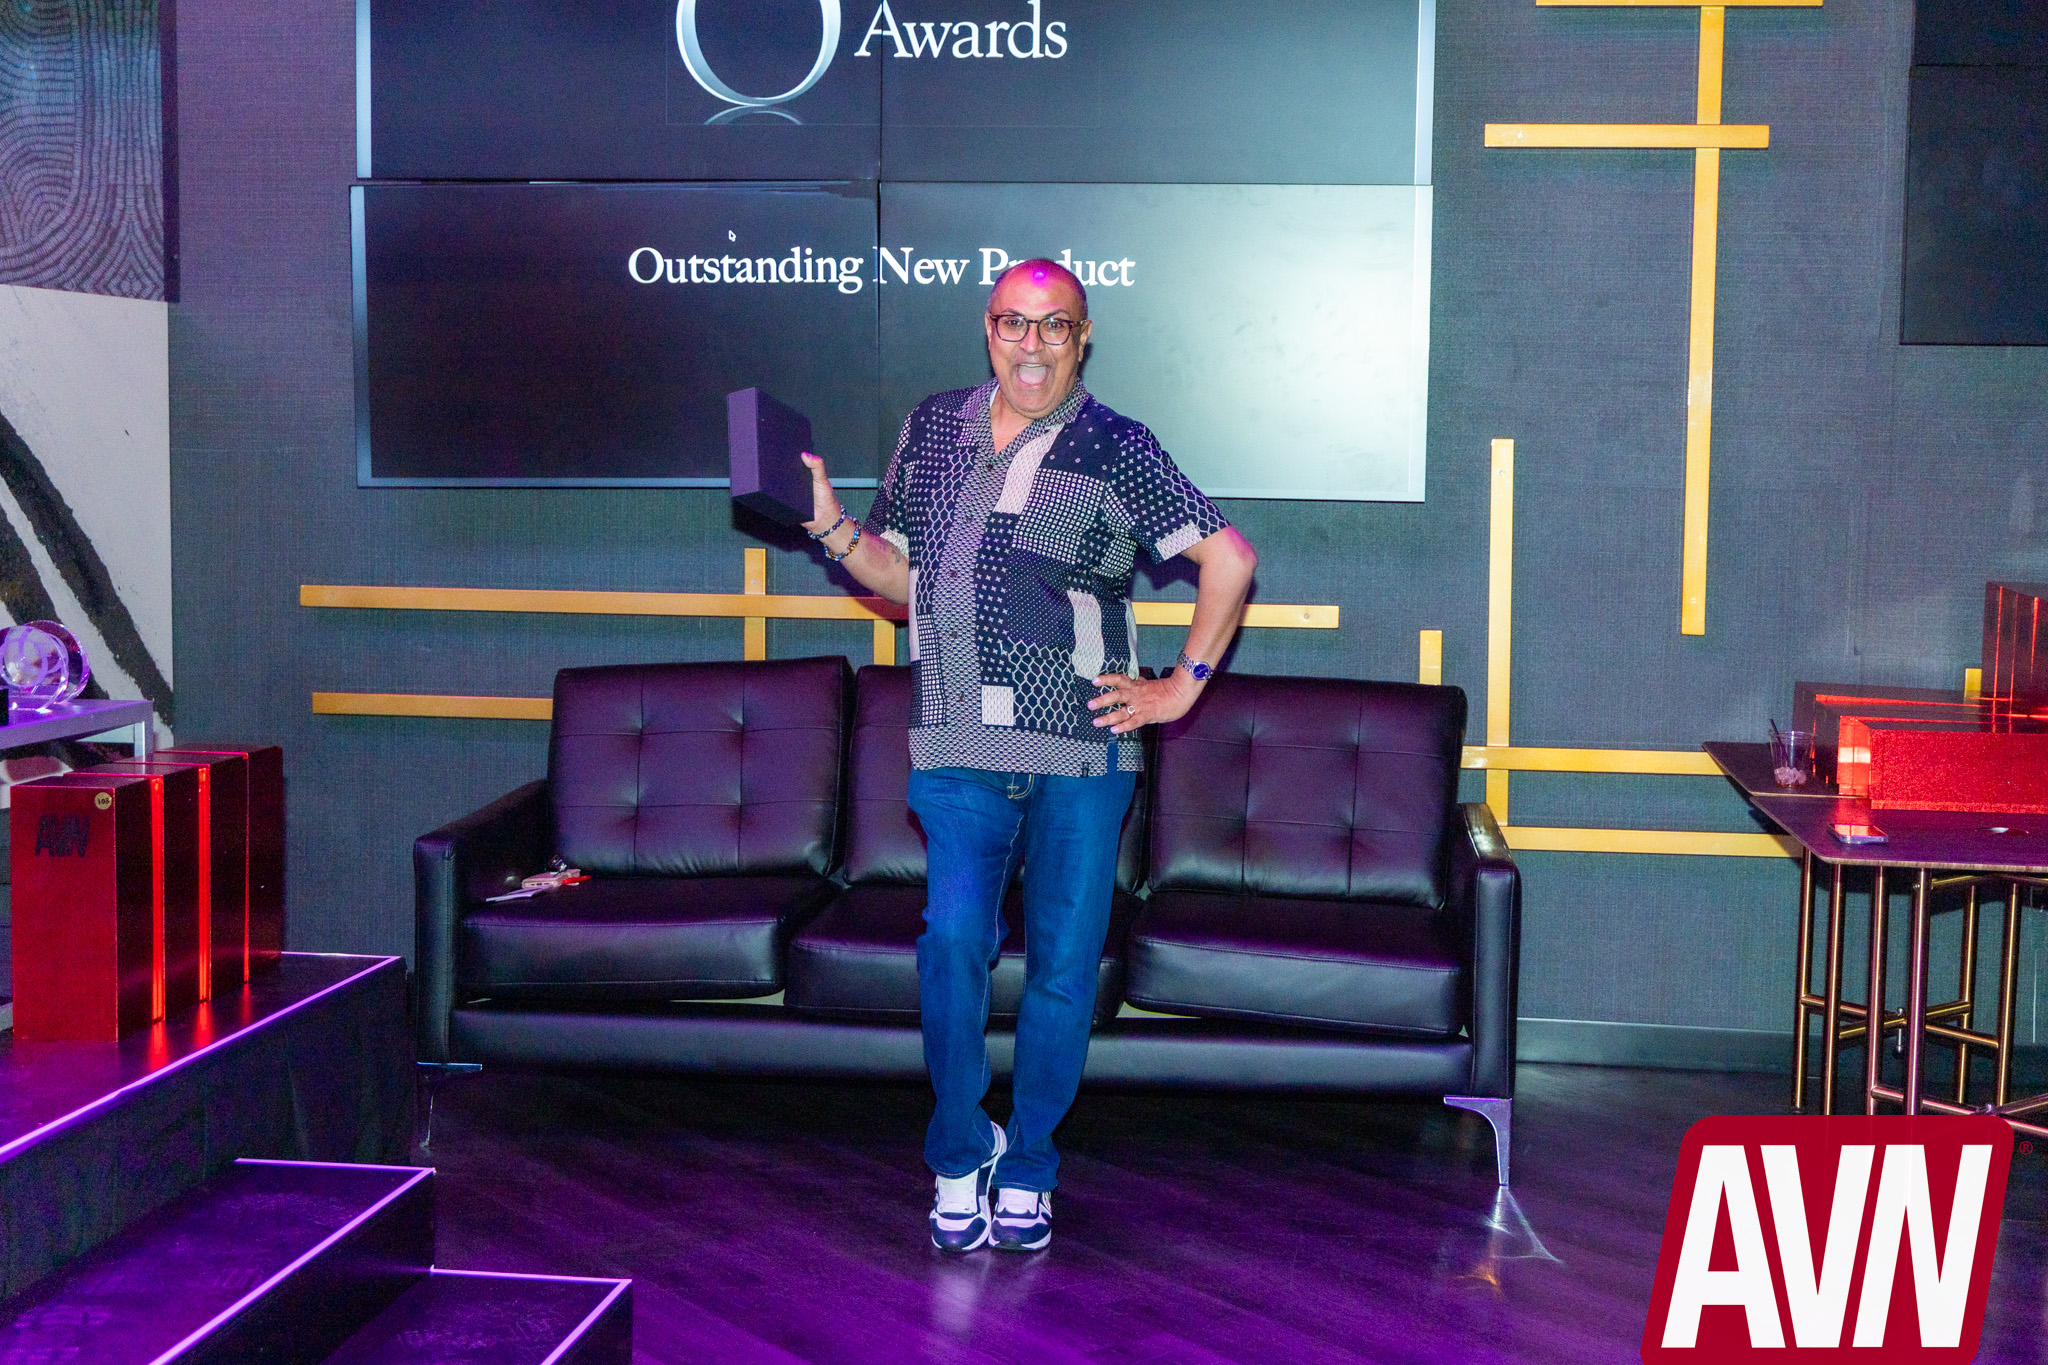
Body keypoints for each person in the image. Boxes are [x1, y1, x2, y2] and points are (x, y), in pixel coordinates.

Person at [798, 258, 1258, 1253]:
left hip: (1083, 753)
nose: (1033, 344)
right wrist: (831, 524)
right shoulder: (933, 426)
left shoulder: (1118, 445)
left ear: (1081, 338)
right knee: (950, 945)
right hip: (957, 739)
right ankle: (959, 1149)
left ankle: (1033, 1165)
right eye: (1015, 323)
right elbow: (900, 577)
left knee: (1060, 969)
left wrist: (1181, 685)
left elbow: (1229, 559)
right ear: (988, 329)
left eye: (1056, 326)